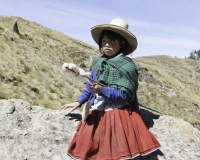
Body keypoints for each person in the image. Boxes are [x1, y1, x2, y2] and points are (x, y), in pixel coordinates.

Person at [62, 18, 161, 160]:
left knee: (117, 149)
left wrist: (101, 91)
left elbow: (124, 95)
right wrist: (79, 102)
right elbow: (89, 88)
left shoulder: (128, 66)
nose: (106, 45)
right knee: (90, 148)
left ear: (121, 43)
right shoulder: (99, 63)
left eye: (111, 41)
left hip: (119, 110)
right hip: (98, 107)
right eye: (103, 41)